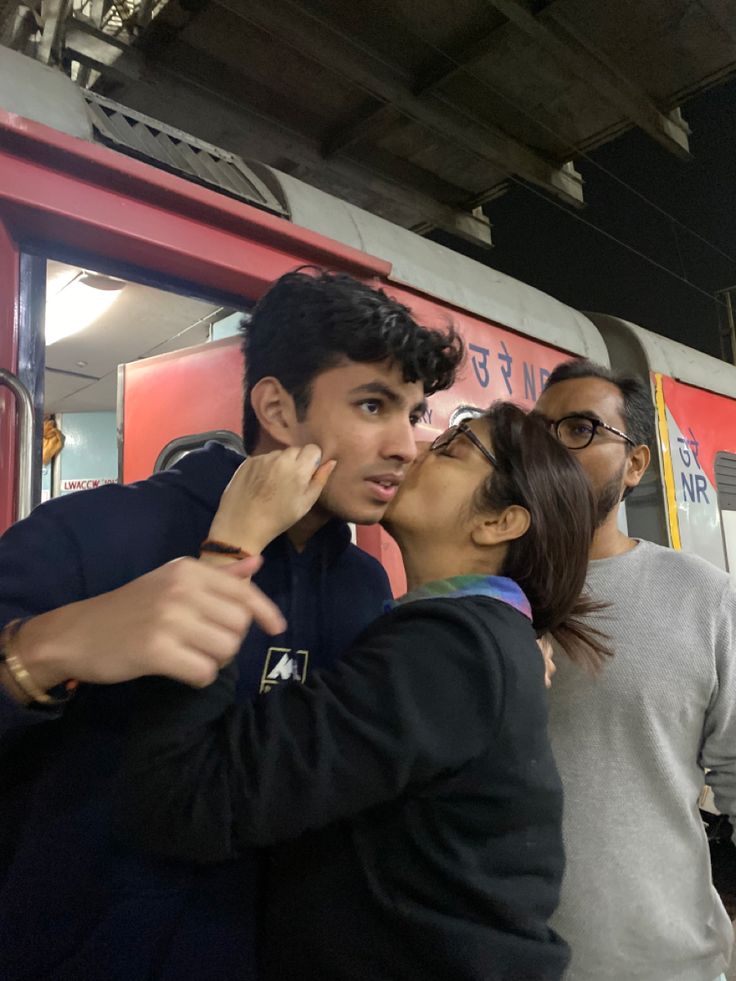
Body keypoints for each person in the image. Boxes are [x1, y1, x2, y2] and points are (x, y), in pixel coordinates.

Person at [0, 268, 463, 981]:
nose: (407, 443)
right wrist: (46, 647)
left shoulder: (364, 586)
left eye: (415, 411)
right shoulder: (98, 533)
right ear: (278, 408)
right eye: (374, 405)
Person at [116, 403, 609, 981]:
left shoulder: (457, 649)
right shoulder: (484, 638)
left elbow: (191, 800)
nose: (410, 449)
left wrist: (233, 543)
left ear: (499, 523)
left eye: (449, 449)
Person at [535, 359, 736, 981]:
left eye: (580, 430)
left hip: (670, 964)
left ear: (636, 466)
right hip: (510, 958)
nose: (553, 451)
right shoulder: (490, 597)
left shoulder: (704, 596)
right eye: (539, 434)